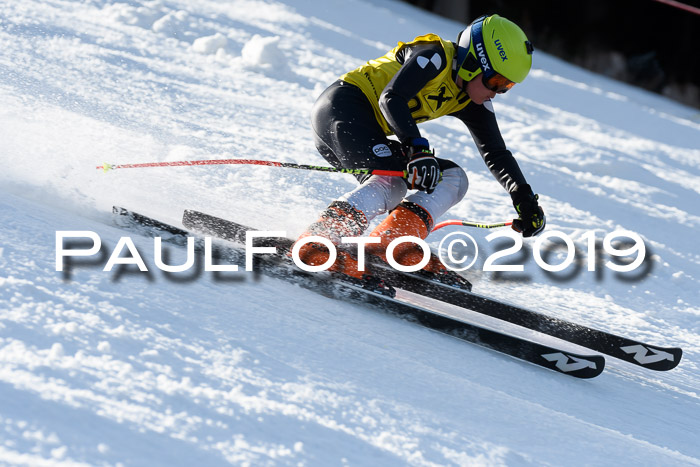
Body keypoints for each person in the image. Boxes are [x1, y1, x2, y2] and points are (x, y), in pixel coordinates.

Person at [295, 14, 545, 287]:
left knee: (453, 178)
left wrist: (524, 198)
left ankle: (392, 243)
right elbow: (391, 98)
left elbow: (496, 152)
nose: (497, 93)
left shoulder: (471, 98)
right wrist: (417, 150)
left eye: (507, 86)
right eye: (496, 81)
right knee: (392, 180)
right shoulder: (434, 57)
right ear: (474, 63)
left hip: (369, 131)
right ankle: (318, 242)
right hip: (341, 111)